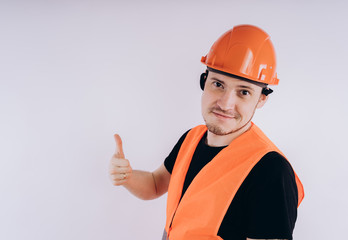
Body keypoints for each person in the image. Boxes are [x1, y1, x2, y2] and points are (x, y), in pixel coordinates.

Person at [109, 24, 304, 240]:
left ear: (261, 99)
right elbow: (155, 184)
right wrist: (127, 177)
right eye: (218, 84)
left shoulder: (270, 170)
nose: (226, 103)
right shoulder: (191, 139)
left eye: (244, 92)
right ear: (204, 81)